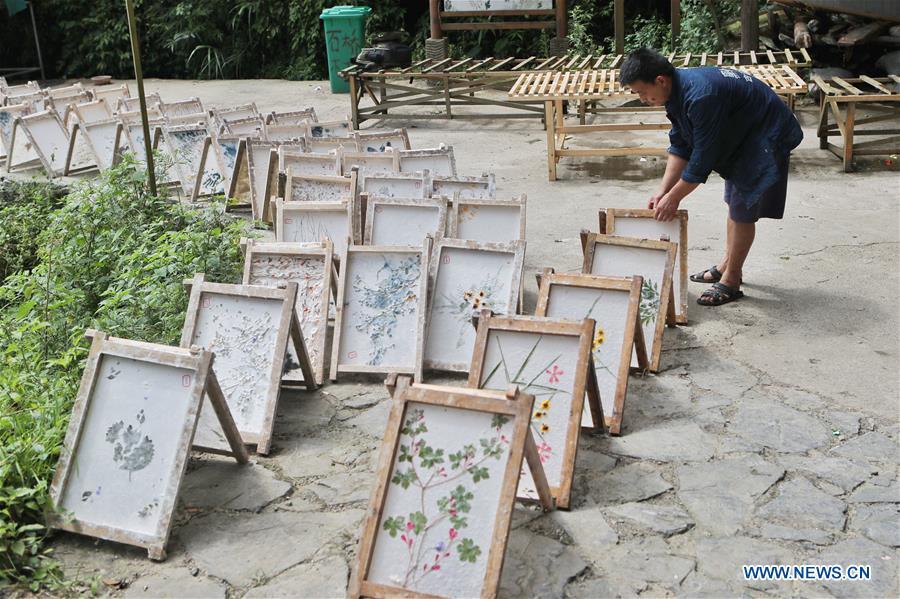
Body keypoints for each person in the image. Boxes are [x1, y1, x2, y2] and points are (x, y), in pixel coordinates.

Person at [620, 48, 803, 306]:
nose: (640, 98)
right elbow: (682, 144)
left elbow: (701, 161)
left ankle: (732, 279)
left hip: (764, 133)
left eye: (640, 91)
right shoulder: (676, 90)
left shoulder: (700, 96)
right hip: (742, 130)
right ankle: (726, 264)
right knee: (734, 204)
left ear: (660, 80)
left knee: (742, 211)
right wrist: (663, 191)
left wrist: (674, 198)